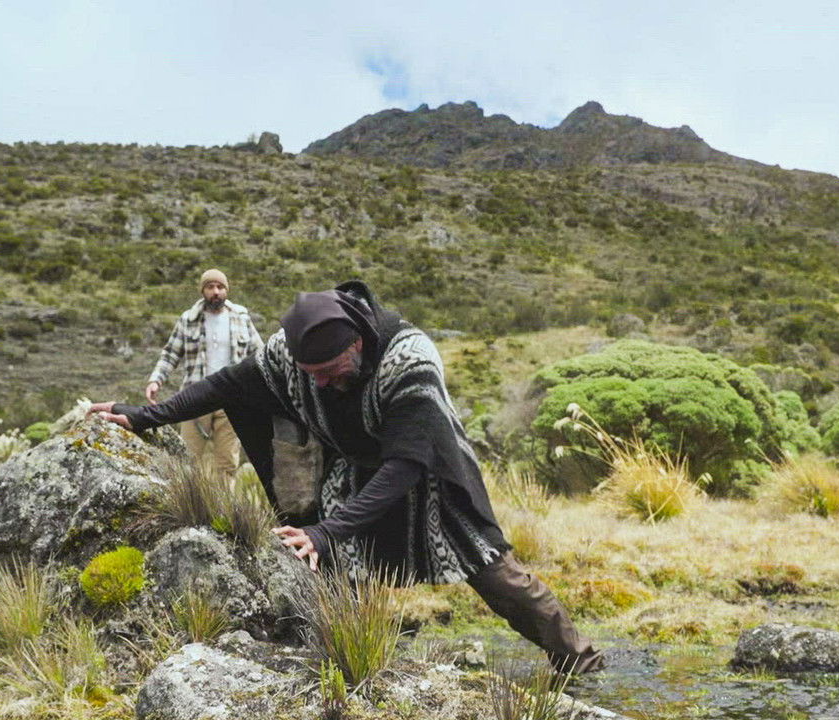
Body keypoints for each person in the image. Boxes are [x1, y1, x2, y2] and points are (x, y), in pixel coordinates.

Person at [91, 280, 601, 674]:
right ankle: (360, 657)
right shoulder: (288, 353)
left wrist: (326, 528)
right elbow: (227, 384)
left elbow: (405, 464)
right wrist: (142, 416)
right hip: (355, 472)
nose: (321, 382)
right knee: (340, 571)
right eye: (311, 374)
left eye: (332, 370)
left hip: (430, 475)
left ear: (358, 342)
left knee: (494, 573)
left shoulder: (411, 360)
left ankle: (579, 658)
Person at [144, 268, 263, 481]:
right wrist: (156, 380)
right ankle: (186, 511)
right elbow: (170, 354)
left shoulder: (241, 317)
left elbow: (259, 355)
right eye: (210, 287)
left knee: (227, 465)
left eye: (220, 287)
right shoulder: (187, 320)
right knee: (186, 462)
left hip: (232, 401)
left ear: (226, 290)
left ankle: (223, 512)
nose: (215, 291)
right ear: (202, 290)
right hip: (194, 399)